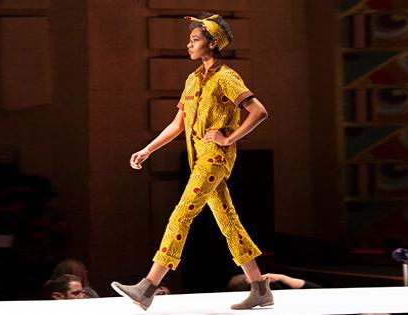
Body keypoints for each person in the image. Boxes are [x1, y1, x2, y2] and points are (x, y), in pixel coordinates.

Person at [111, 13, 273, 311]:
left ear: (212, 44)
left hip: (213, 158)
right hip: (198, 156)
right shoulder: (193, 79)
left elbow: (259, 111)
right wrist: (148, 150)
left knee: (181, 214)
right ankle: (260, 287)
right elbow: (178, 125)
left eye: (195, 40)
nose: (189, 44)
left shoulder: (227, 77)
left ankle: (148, 286)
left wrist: (228, 138)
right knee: (227, 220)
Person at [227, 273, 323, 291]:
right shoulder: (269, 286)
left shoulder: (271, 283)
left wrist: (281, 277)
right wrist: (281, 277)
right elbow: (318, 289)